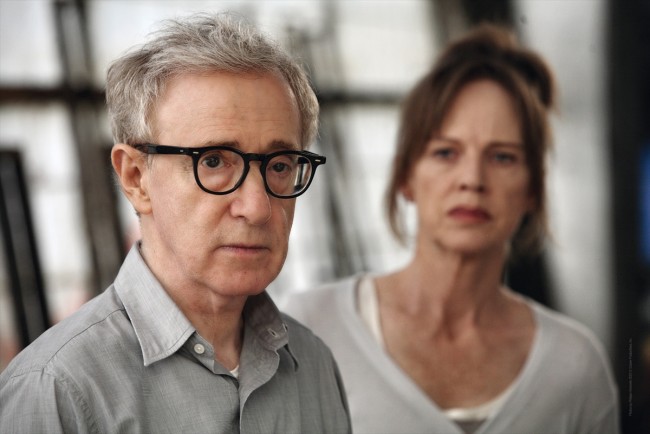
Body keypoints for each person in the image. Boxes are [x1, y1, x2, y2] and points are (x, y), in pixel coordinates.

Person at [0, 13, 351, 433]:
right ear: (136, 178)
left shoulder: (314, 366)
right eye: (214, 161)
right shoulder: (58, 391)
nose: (258, 208)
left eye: (279, 165)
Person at [284, 24, 619, 434]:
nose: (472, 180)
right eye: (446, 153)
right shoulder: (308, 328)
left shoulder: (575, 367)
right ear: (406, 176)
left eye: (502, 157)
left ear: (533, 188)